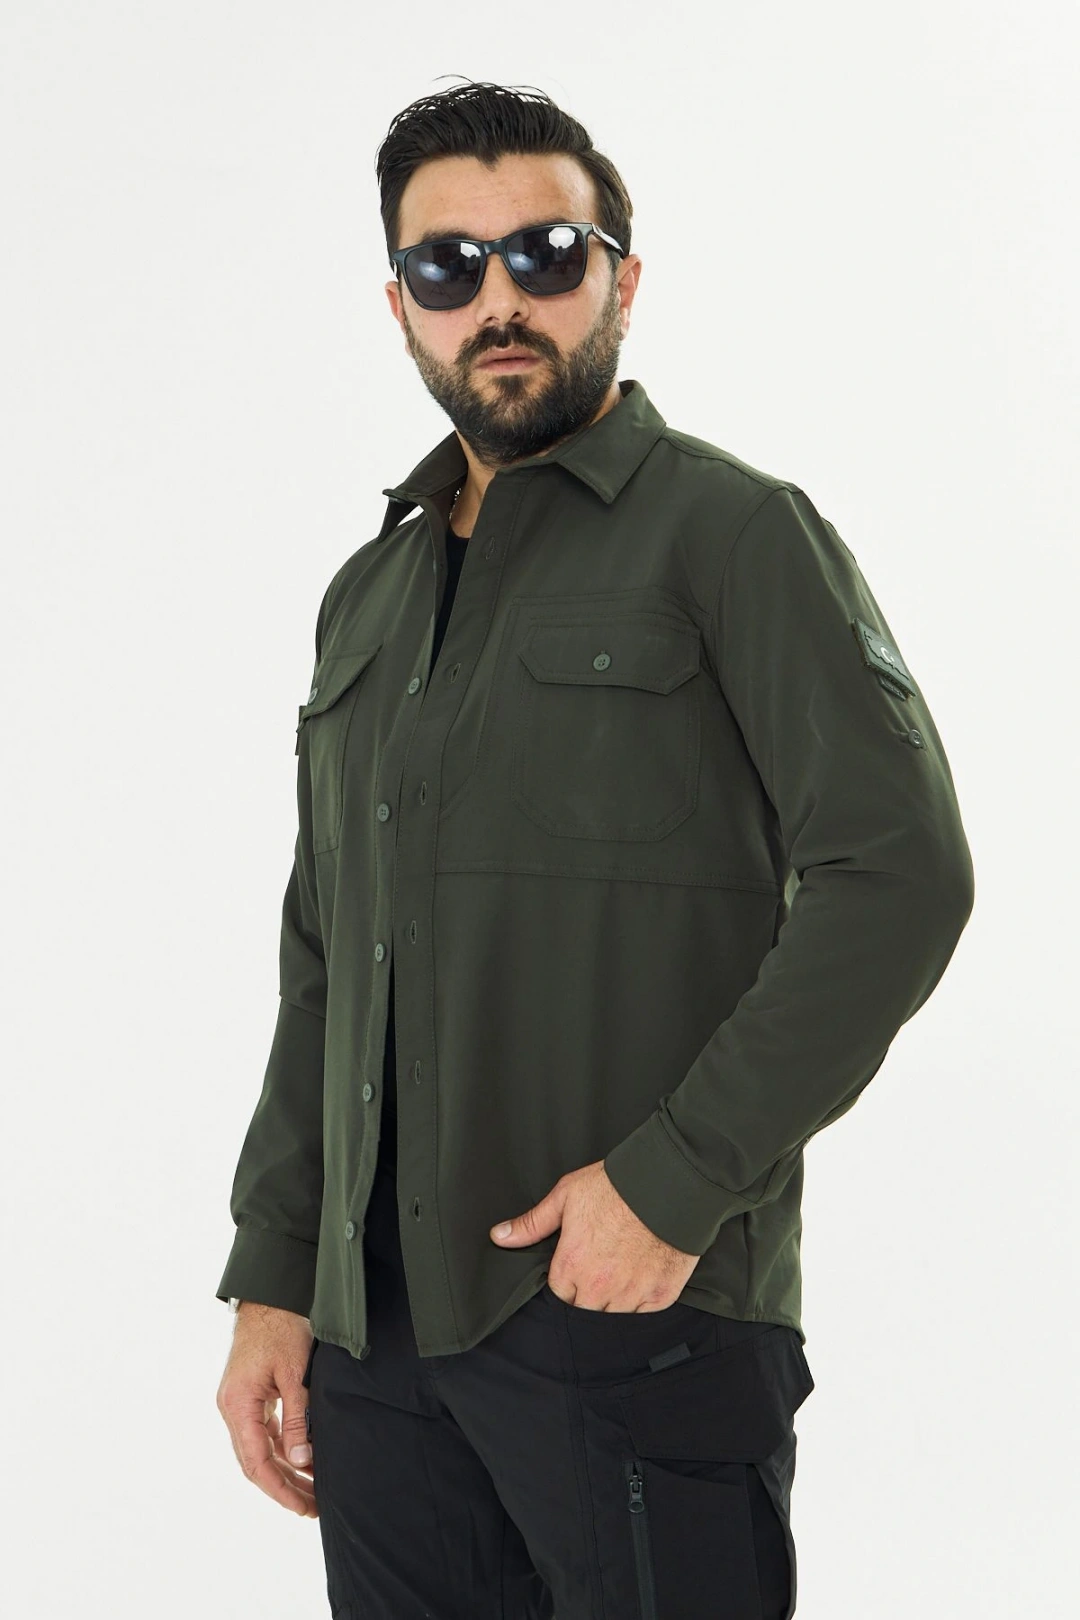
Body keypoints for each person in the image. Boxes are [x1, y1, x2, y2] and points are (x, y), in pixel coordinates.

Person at [215, 78, 975, 1620]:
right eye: (451, 265)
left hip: (635, 1318)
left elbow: (899, 875)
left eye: (548, 253)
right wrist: (276, 1273)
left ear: (623, 278)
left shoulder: (736, 536)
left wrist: (676, 1183)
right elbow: (325, 962)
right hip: (376, 1349)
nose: (500, 299)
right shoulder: (370, 597)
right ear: (401, 305)